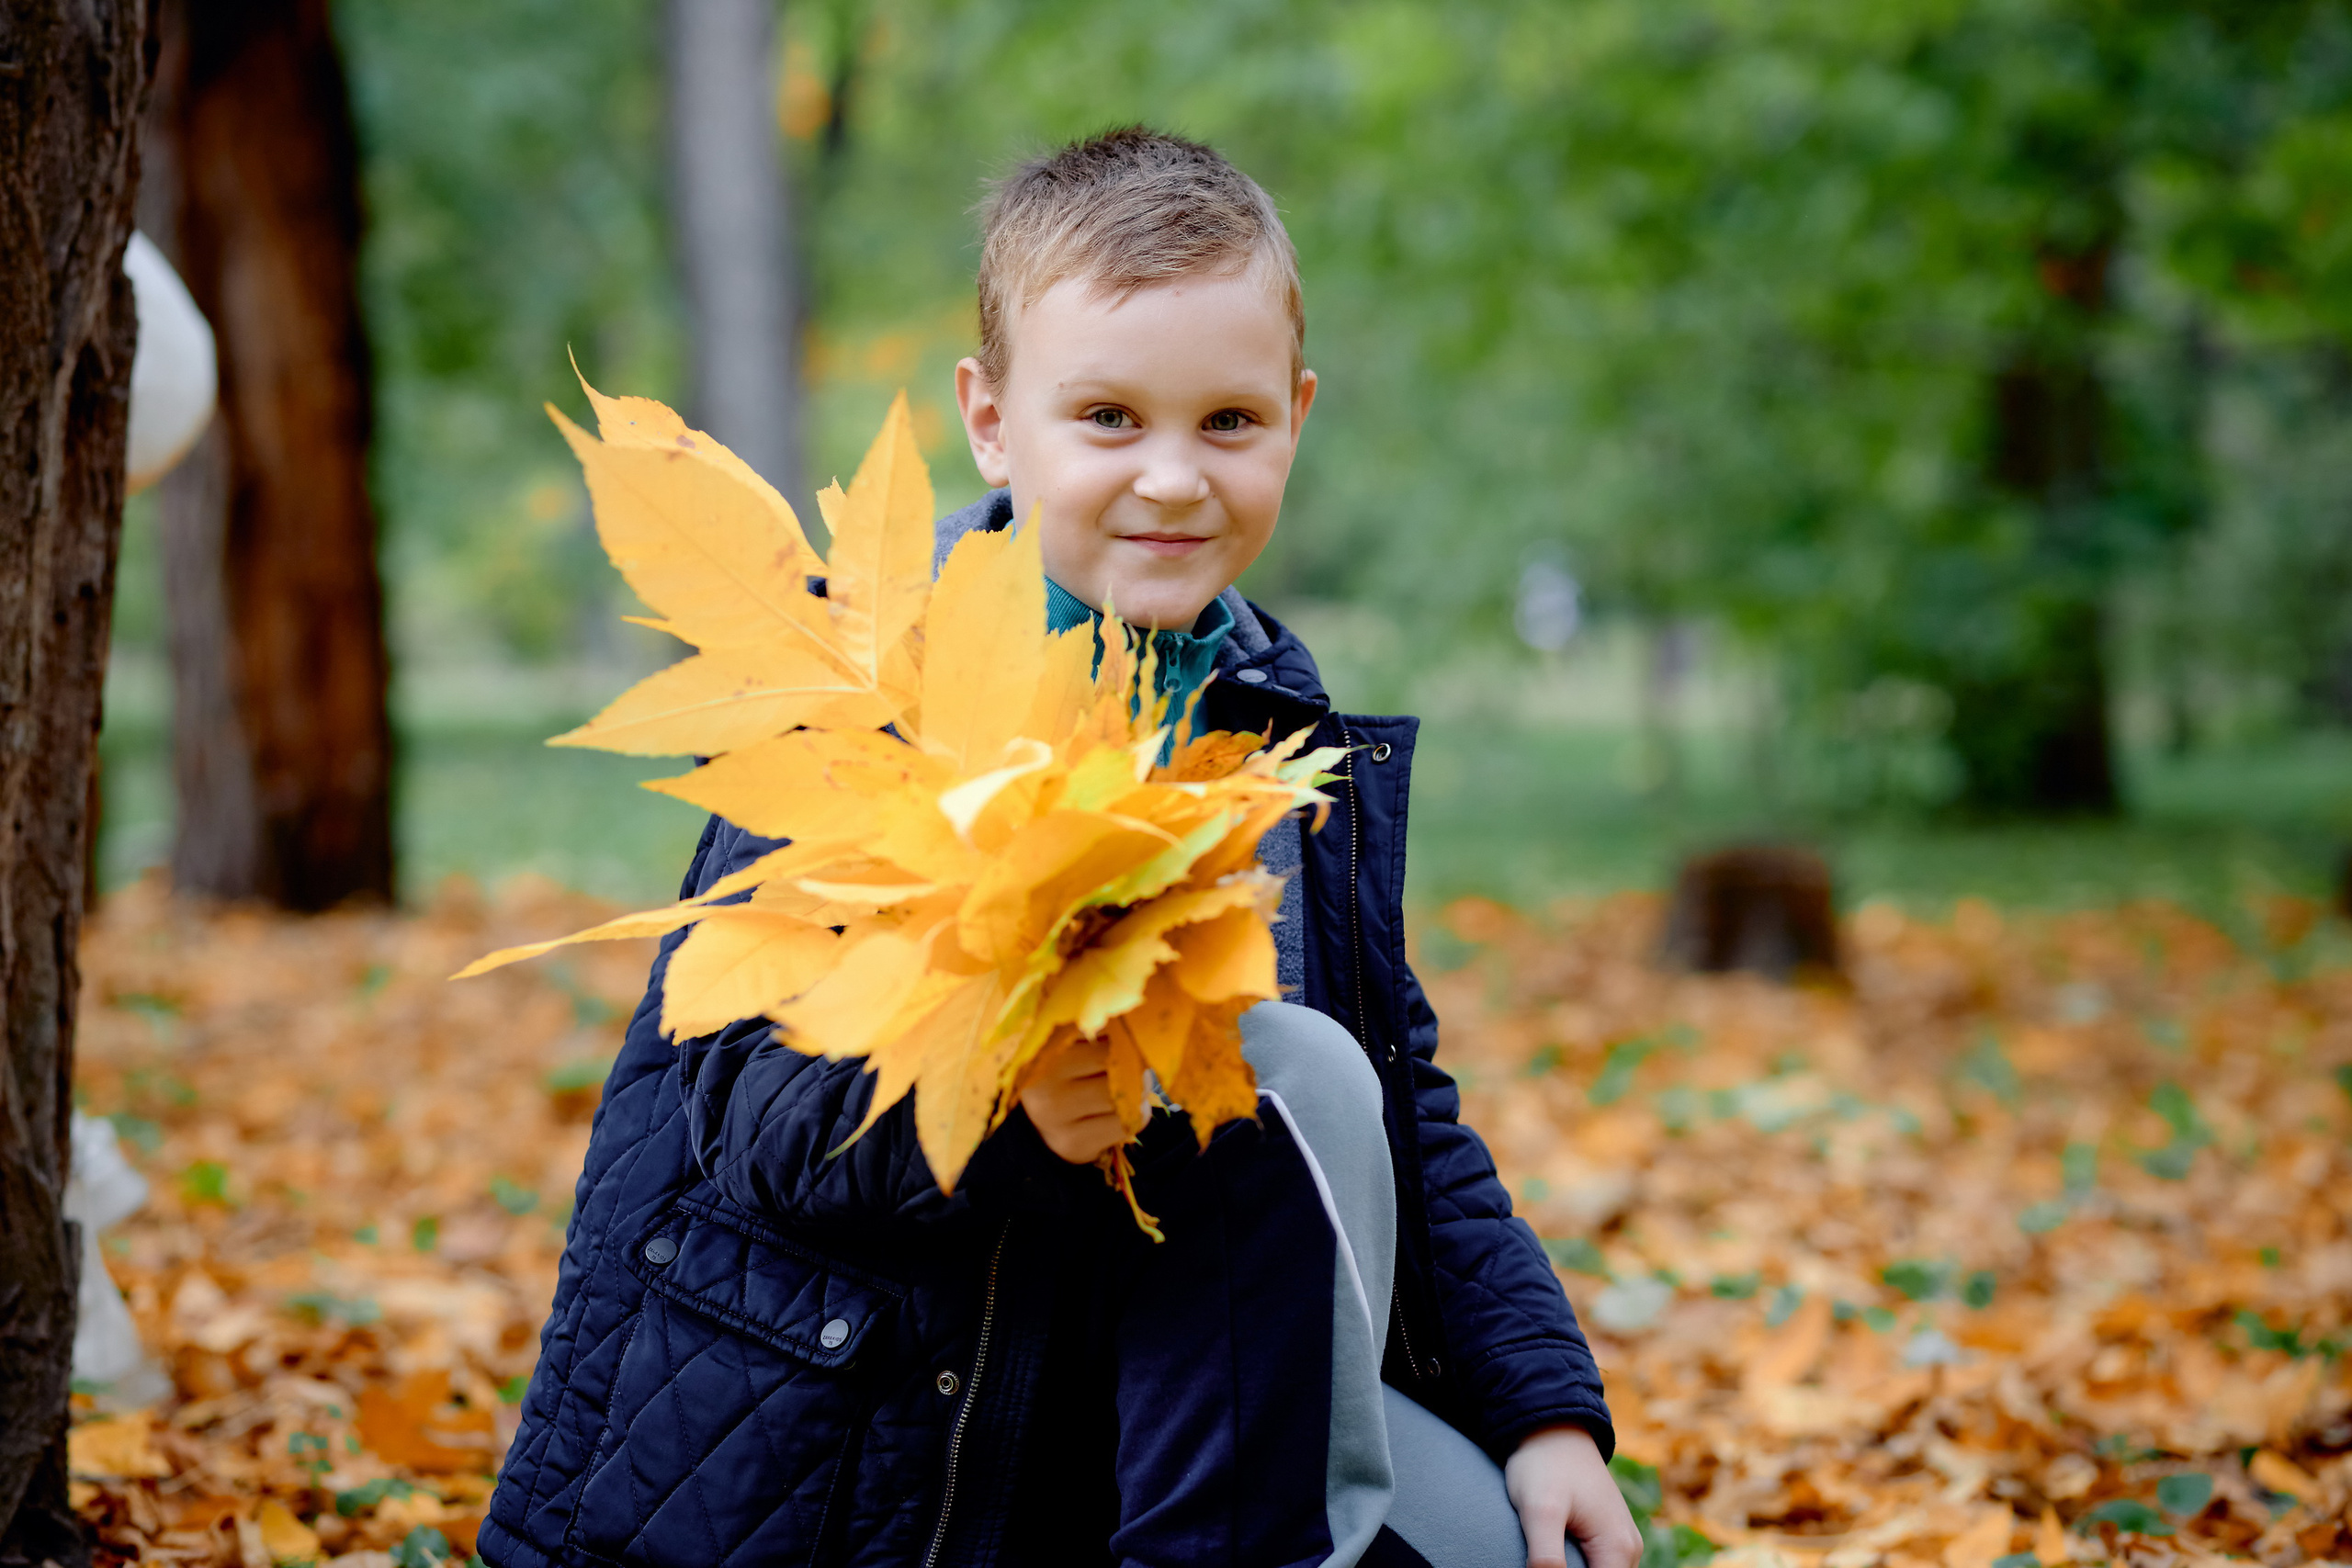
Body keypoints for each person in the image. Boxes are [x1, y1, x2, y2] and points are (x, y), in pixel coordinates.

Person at [479, 128, 1641, 1568]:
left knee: (1502, 1539)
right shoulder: (871, 690)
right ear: (990, 419)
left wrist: (1541, 1407)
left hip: (1155, 1394)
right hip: (878, 1438)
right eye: (1107, 418)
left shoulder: (1264, 726)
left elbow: (1408, 1109)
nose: (1174, 478)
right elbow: (744, 1111)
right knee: (1282, 1066)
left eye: (1229, 422)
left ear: (1296, 416)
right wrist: (997, 1113)